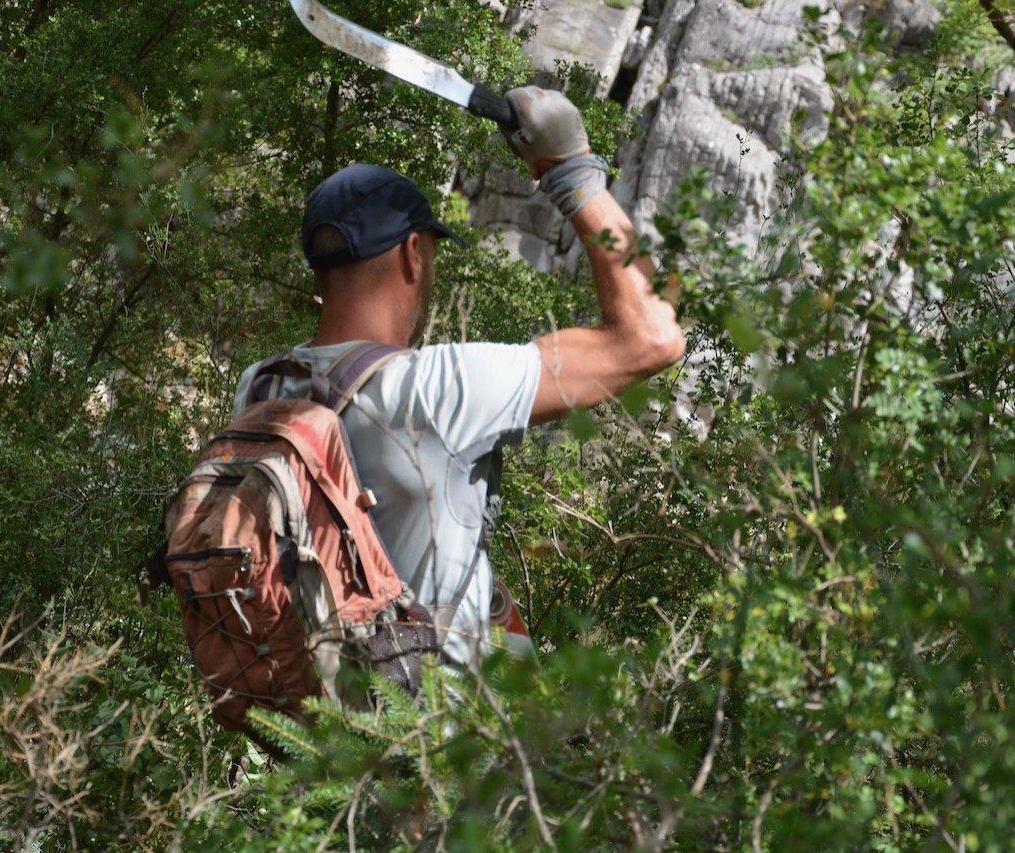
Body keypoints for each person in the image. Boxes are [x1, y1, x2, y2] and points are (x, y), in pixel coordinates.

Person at [232, 87, 685, 668]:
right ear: (412, 255)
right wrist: (574, 173)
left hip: (321, 735)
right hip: (429, 741)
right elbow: (652, 336)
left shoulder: (261, 388)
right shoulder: (437, 391)